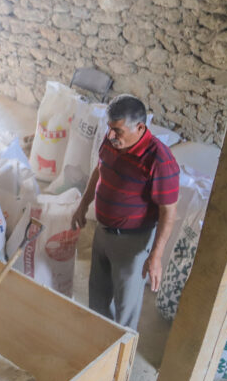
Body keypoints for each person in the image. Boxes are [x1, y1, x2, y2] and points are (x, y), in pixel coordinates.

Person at [71, 94, 179, 330]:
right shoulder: (112, 141)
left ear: (139, 127)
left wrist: (156, 256)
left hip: (133, 243)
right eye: (109, 128)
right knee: (97, 297)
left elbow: (168, 212)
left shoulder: (159, 160)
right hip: (103, 231)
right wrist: (83, 205)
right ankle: (98, 343)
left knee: (125, 308)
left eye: (117, 130)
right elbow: (99, 171)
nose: (110, 135)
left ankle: (121, 352)